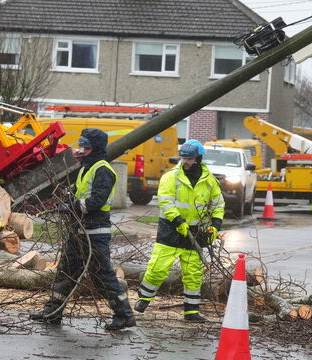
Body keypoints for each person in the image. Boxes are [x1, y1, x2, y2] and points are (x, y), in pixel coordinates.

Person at [30, 128, 135, 330]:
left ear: (96, 148)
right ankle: (53, 311)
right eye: (82, 146)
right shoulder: (86, 168)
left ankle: (124, 314)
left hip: (94, 233)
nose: (82, 150)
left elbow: (95, 201)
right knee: (66, 271)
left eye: (86, 147)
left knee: (102, 274)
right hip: (78, 231)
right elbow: (79, 195)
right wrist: (64, 200)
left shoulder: (102, 170)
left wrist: (72, 207)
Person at [134, 139, 224, 322]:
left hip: (196, 234)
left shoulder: (210, 181)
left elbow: (218, 205)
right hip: (171, 230)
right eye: (184, 158)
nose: (186, 162)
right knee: (158, 268)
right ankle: (143, 299)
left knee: (193, 273)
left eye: (190, 159)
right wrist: (177, 220)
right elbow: (165, 201)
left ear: (199, 158)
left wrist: (215, 225)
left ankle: (191, 311)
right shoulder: (171, 177)